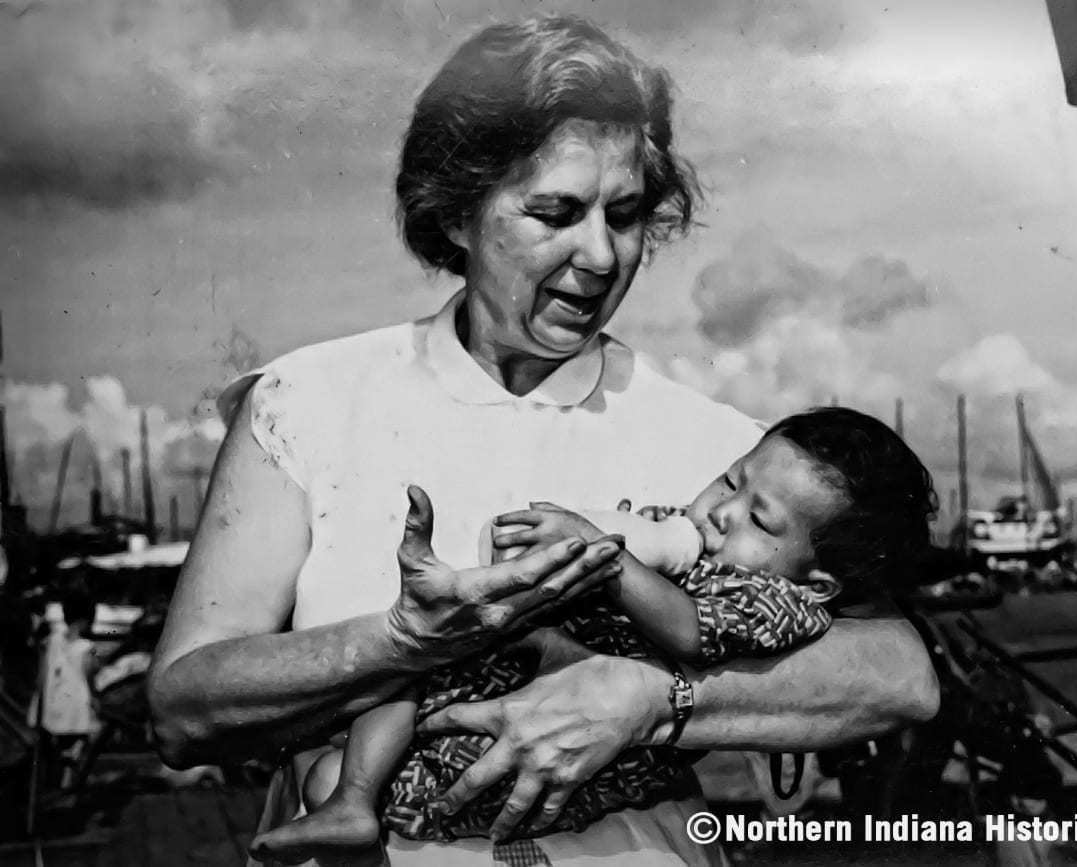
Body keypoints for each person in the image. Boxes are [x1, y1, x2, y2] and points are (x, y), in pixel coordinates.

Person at [146, 15, 939, 867]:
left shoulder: (732, 463)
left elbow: (901, 675)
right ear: (456, 212)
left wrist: (648, 699)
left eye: (626, 214)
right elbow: (183, 709)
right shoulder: (305, 402)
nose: (599, 254)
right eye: (555, 212)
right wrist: (404, 642)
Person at [249, 407, 937, 862]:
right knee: (388, 689)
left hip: (554, 756)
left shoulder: (774, 600)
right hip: (495, 688)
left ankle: (357, 804)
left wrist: (609, 557)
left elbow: (691, 631)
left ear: (817, 580)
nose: (722, 510)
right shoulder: (696, 541)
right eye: (730, 479)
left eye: (760, 519)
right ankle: (350, 804)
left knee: (390, 765)